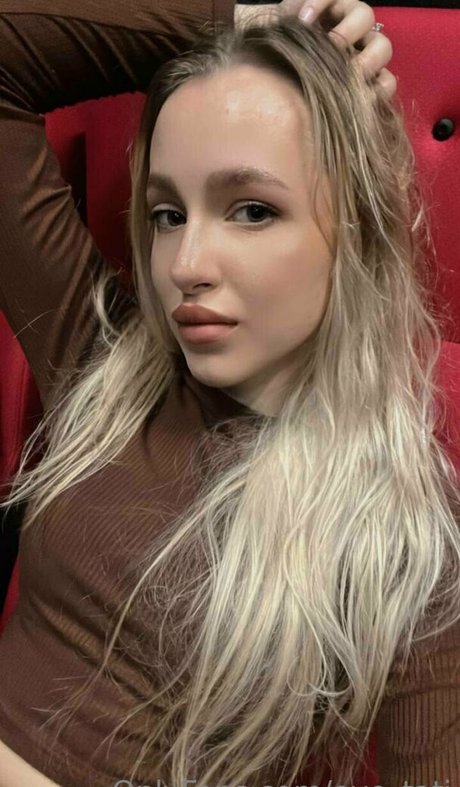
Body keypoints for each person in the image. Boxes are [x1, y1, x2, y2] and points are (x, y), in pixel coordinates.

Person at [0, 1, 458, 786]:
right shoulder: (104, 366)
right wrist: (242, 16)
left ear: (357, 231)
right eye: (167, 214)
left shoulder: (403, 547)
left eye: (251, 210)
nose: (185, 264)